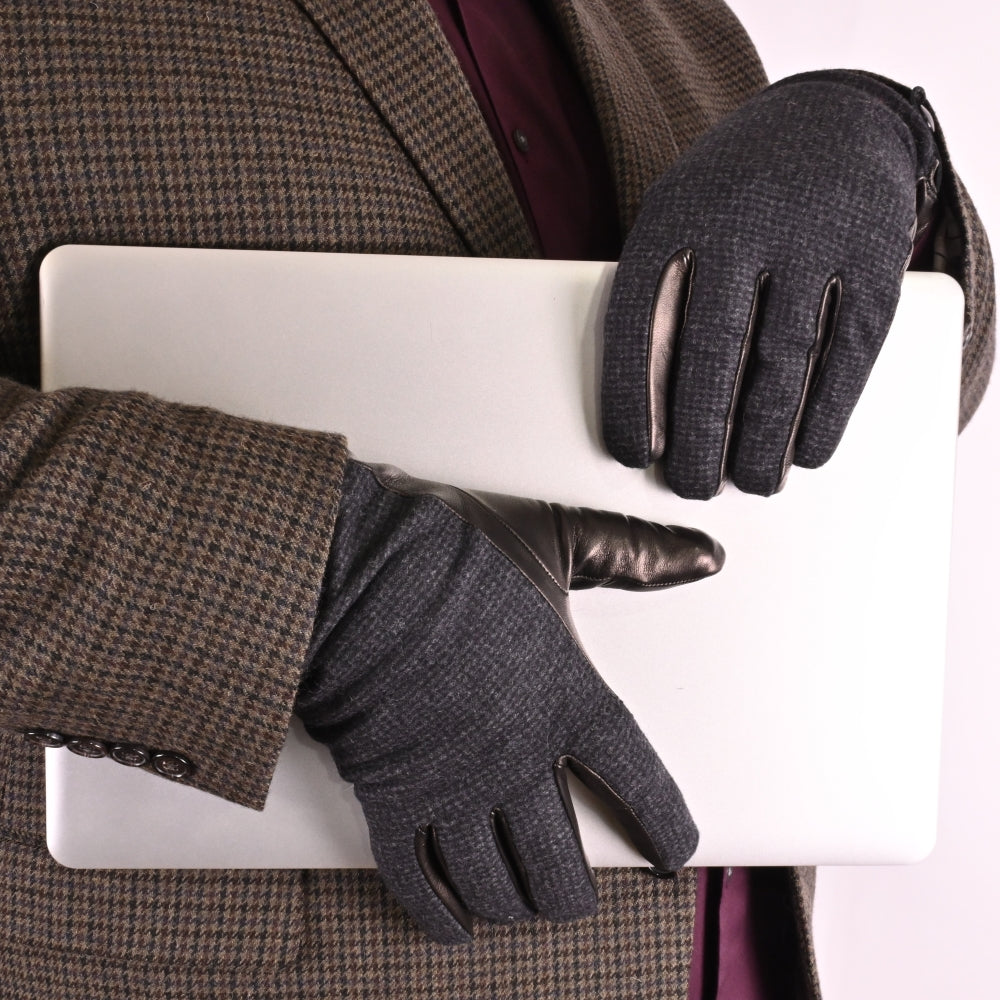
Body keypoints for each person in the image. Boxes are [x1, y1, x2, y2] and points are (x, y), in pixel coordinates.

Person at [0, 2, 992, 999]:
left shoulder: (672, 21)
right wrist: (325, 593)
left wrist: (895, 166)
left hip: (730, 948)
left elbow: (834, 411)